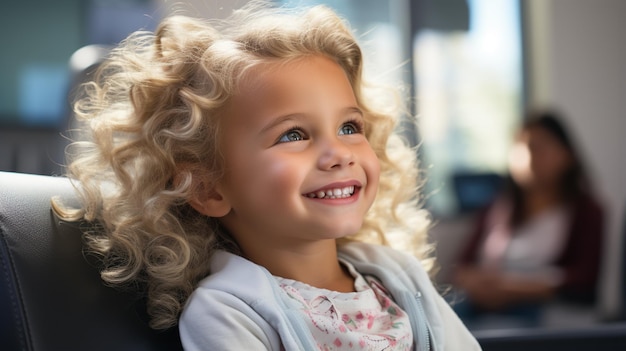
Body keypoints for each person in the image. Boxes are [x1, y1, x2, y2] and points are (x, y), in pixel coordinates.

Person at [53, 1, 480, 350]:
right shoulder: (228, 310)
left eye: (350, 127)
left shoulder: (398, 277)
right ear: (206, 187)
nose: (338, 154)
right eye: (293, 134)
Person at [453, 109, 604, 328]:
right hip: (484, 306)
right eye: (521, 146)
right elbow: (463, 266)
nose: (529, 155)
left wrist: (513, 289)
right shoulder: (497, 208)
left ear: (567, 155)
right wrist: (477, 284)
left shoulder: (586, 211)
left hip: (545, 310)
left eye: (540, 147)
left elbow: (584, 279)